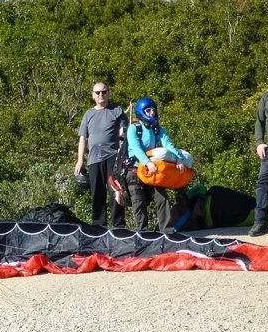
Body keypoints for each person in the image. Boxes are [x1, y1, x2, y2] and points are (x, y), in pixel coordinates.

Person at [125, 97, 186, 233]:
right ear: (142, 112)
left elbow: (168, 144)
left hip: (151, 169)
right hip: (135, 169)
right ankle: (143, 233)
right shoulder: (133, 129)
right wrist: (147, 162)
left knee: (162, 198)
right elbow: (136, 148)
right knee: (138, 202)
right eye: (148, 110)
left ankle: (167, 232)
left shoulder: (157, 129)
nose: (152, 112)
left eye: (153, 109)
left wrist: (178, 159)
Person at [74, 82, 128, 227]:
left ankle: (118, 226)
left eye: (104, 92)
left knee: (116, 192)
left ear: (108, 93)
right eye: (97, 92)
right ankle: (98, 227)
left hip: (113, 157)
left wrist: (121, 139)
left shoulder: (116, 110)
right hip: (94, 159)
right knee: (97, 194)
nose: (101, 95)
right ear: (93, 95)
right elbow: (83, 138)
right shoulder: (88, 114)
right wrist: (80, 160)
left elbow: (125, 132)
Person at [249, 88, 268, 237]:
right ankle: (260, 222)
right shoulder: (267, 96)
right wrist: (259, 142)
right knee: (263, 183)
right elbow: (259, 121)